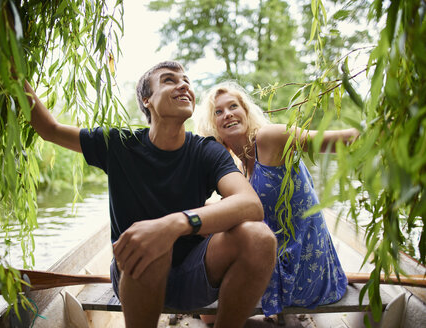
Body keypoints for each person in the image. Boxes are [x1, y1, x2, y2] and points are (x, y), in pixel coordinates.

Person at [23, 61, 277, 328]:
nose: (184, 85)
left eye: (186, 80)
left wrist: (172, 225)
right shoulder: (119, 145)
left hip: (195, 276)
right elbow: (49, 129)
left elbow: (249, 204)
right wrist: (13, 71)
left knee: (259, 237)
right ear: (147, 101)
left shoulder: (205, 150)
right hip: (135, 276)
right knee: (152, 246)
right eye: (169, 80)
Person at [195, 81, 356, 319]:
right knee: (208, 313)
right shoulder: (238, 171)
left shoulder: (270, 138)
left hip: (306, 268)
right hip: (275, 258)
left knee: (209, 312)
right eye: (218, 112)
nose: (227, 114)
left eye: (233, 106)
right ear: (213, 127)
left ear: (246, 112)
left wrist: (384, 130)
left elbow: (338, 140)